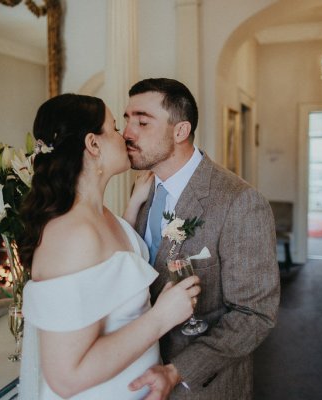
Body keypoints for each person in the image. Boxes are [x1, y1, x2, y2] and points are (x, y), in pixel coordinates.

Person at [18, 93, 201, 399]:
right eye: (115, 127)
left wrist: (133, 206)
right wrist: (161, 317)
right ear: (93, 144)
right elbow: (66, 377)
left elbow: (109, 268)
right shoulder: (71, 235)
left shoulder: (101, 215)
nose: (125, 135)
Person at [123, 78, 280, 399]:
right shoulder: (142, 189)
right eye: (126, 119)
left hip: (202, 385)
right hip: (136, 372)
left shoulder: (240, 201)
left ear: (180, 131)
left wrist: (177, 370)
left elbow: (255, 315)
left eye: (141, 121)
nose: (127, 132)